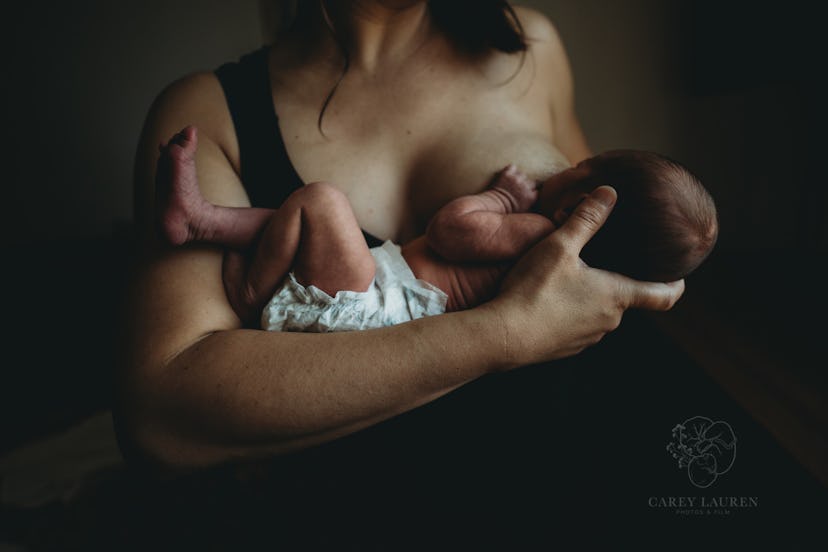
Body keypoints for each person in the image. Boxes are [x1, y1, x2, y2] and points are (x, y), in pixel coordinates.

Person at [116, 3, 685, 542]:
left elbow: (599, 253)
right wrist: (505, 333)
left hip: (551, 494)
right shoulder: (208, 111)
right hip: (337, 521)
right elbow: (160, 422)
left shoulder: (531, 49)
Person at [156, 125, 716, 332]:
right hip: (378, 287)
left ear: (578, 209)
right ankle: (202, 223)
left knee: (322, 203)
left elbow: (449, 231)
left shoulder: (537, 236)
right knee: (297, 220)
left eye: (571, 174)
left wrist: (501, 198)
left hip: (377, 309)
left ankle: (253, 295)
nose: (556, 172)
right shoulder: (563, 259)